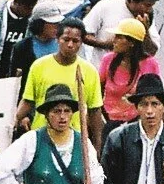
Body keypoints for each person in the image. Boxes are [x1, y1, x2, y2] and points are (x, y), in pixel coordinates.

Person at [16, 19, 104, 149]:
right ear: (57, 39)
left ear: (81, 43)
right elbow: (28, 100)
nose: (70, 45)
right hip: (41, 139)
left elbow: (94, 111)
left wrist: (97, 144)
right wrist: (15, 119)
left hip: (74, 142)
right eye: (66, 39)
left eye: (75, 41)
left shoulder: (89, 71)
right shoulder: (39, 66)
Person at [98, 75, 164, 184]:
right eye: (144, 104)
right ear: (137, 108)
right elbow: (105, 178)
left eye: (155, 104)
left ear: (163, 107)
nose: (149, 111)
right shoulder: (119, 138)